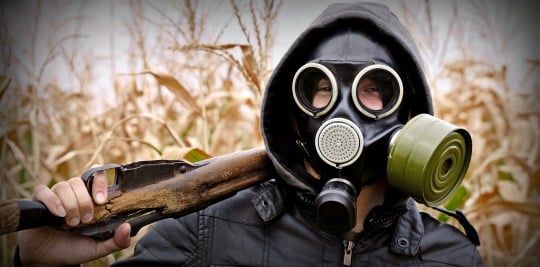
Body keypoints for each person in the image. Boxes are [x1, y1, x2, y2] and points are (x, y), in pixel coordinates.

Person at [15, 2, 483, 266]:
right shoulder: (205, 232)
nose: (343, 114)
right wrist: (34, 264)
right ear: (291, 115)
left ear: (414, 117)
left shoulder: (451, 258)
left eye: (375, 91)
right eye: (317, 89)